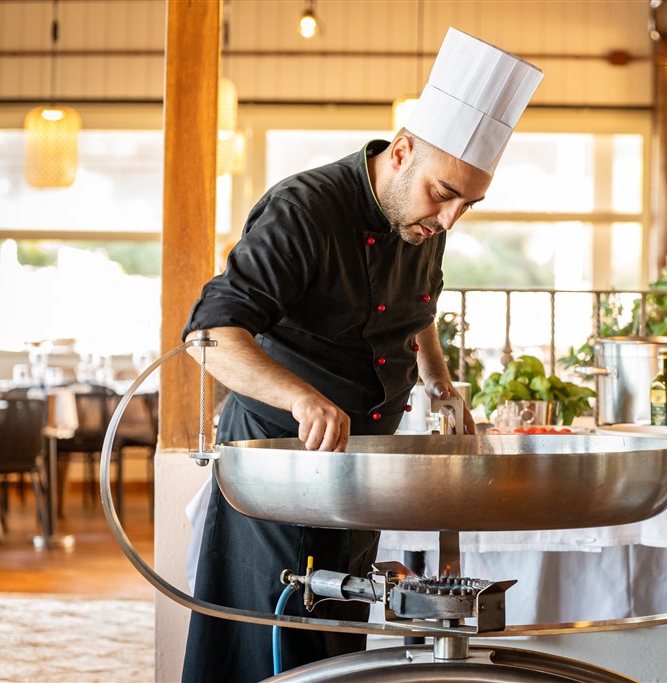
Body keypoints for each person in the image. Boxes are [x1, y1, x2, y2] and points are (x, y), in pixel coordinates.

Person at [180, 28, 542, 682]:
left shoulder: (423, 218)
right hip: (279, 460)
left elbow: (418, 309)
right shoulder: (304, 211)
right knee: (275, 637)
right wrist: (299, 396)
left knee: (344, 641)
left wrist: (440, 380)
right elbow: (208, 334)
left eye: (470, 202)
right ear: (400, 153)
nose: (452, 218)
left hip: (360, 467)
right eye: (445, 193)